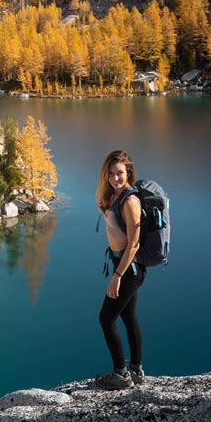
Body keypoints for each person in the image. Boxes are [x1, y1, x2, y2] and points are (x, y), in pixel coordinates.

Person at [94, 150, 146, 390]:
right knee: (128, 317)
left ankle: (121, 374)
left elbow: (133, 244)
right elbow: (111, 221)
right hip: (121, 265)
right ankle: (136, 370)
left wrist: (117, 276)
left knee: (106, 319)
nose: (116, 177)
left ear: (129, 173)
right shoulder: (115, 197)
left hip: (129, 269)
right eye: (111, 173)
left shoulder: (130, 201)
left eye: (120, 173)